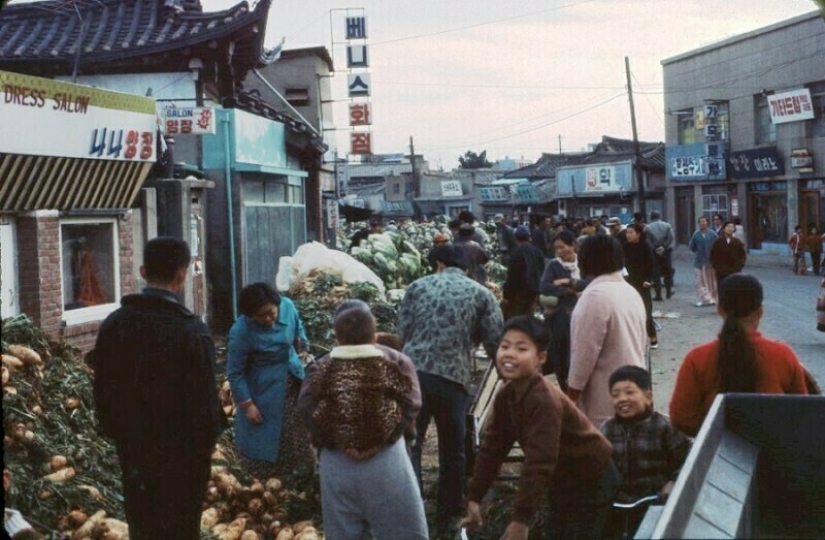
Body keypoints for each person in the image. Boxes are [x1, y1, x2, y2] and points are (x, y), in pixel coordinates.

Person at [88, 237, 222, 540]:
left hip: (134, 452)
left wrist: (120, 434)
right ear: (182, 275)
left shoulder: (114, 324)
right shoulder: (192, 331)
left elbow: (102, 393)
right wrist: (206, 446)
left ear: (142, 271)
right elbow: (205, 405)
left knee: (143, 526)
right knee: (180, 529)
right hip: (183, 459)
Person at [461, 316, 619, 540]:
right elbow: (493, 449)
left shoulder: (543, 399)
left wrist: (521, 520)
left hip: (592, 477)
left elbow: (540, 461)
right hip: (562, 478)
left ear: (541, 358)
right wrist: (475, 496)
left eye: (521, 348)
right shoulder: (506, 395)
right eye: (505, 346)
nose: (510, 354)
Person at [397, 243, 503, 537]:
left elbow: (402, 331)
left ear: (439, 264)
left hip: (414, 375)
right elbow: (495, 340)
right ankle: (447, 514)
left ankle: (412, 508)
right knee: (452, 449)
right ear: (466, 269)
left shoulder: (417, 287)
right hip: (453, 378)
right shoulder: (481, 293)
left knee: (412, 443)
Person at [297, 302, 428, 539]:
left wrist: (336, 440)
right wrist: (386, 437)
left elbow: (306, 408)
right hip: (387, 459)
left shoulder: (321, 366)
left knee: (344, 530)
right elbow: (412, 403)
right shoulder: (396, 361)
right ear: (375, 336)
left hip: (337, 461)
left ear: (337, 338)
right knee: (402, 530)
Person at [670, 273, 809, 437]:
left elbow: (682, 418)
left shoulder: (697, 359)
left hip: (716, 449)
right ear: (760, 311)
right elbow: (803, 412)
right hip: (775, 448)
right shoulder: (783, 355)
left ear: (719, 310)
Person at [227, 282, 314, 480]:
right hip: (262, 391)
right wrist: (248, 405)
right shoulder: (241, 330)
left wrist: (303, 348)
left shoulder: (288, 307)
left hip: (292, 380)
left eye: (270, 312)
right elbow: (235, 373)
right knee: (265, 440)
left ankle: (300, 480)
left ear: (277, 304)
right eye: (260, 316)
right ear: (250, 315)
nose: (268, 319)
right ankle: (266, 483)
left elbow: (299, 330)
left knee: (297, 434)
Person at [601, 366, 692, 539]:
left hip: (653, 503)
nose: (622, 399)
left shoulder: (663, 427)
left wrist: (674, 481)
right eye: (615, 395)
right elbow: (595, 462)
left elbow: (688, 457)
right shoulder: (607, 429)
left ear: (648, 397)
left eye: (629, 392)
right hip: (616, 505)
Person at [567, 234, 648, 427]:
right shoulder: (630, 291)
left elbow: (583, 356)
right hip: (634, 390)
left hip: (604, 399)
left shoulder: (594, 297)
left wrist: (571, 397)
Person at [539, 230, 589, 389]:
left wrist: (566, 281)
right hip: (561, 316)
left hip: (585, 314)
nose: (559, 252)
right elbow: (544, 286)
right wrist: (567, 291)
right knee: (562, 353)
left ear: (573, 245)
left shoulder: (583, 263)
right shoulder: (554, 265)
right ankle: (566, 386)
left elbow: (589, 283)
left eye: (562, 247)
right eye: (556, 249)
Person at [623, 223, 659, 349]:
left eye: (631, 232)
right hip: (628, 281)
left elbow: (651, 265)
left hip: (643, 282)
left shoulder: (645, 246)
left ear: (638, 234)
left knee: (646, 312)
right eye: (627, 232)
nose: (628, 235)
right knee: (629, 312)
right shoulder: (624, 247)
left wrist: (648, 280)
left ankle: (653, 337)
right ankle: (634, 339)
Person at [501, 225, 546, 321]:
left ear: (515, 239)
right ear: (529, 238)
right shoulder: (537, 252)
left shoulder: (515, 253)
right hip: (534, 292)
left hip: (519, 293)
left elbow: (512, 276)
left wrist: (507, 295)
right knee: (529, 317)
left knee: (516, 319)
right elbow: (542, 271)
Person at [688, 216, 718, 307]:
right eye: (701, 222)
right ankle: (703, 299)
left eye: (704, 221)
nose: (703, 223)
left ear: (707, 223)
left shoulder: (712, 234)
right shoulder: (696, 234)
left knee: (711, 281)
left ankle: (712, 298)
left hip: (711, 261)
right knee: (699, 281)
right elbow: (692, 246)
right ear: (698, 224)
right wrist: (698, 252)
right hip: (699, 261)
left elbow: (718, 245)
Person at [646, 211, 675, 300]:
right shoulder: (667, 225)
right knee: (667, 272)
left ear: (651, 218)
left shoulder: (648, 227)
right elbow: (671, 237)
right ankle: (668, 292)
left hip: (654, 253)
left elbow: (648, 241)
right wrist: (663, 247)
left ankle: (658, 295)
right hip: (666, 252)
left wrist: (655, 248)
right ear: (659, 216)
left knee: (656, 274)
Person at [710, 220, 747, 285]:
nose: (730, 229)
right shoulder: (718, 242)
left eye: (732, 227)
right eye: (728, 227)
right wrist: (716, 267)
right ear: (724, 229)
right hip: (721, 271)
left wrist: (739, 266)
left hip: (734, 271)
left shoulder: (737, 242)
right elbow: (713, 255)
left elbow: (742, 256)